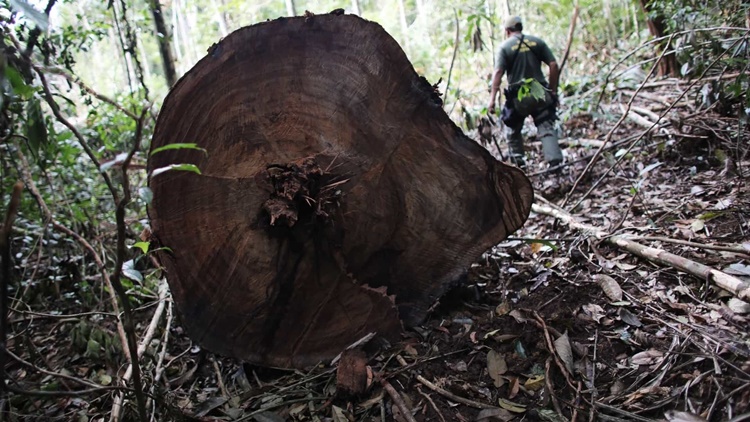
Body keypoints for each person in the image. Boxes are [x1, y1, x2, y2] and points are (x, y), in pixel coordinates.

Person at [488, 16, 562, 169]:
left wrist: (492, 100)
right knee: (546, 126)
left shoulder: (504, 48)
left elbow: (498, 73)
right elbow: (553, 65)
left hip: (519, 97)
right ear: (520, 27)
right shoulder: (537, 42)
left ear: (507, 31)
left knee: (513, 129)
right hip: (540, 92)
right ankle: (554, 163)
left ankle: (519, 165)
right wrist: (552, 91)